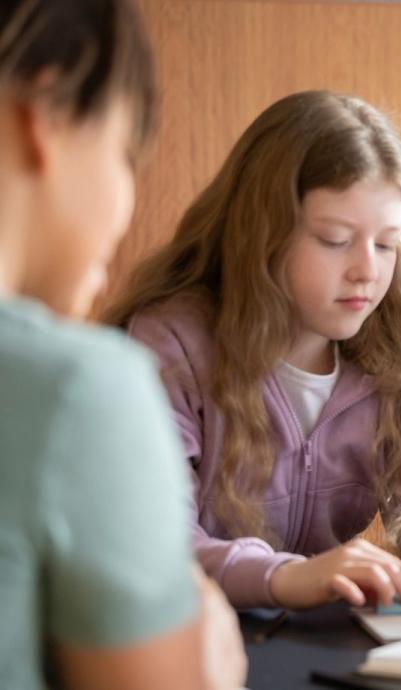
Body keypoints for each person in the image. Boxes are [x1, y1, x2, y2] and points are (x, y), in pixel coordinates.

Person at [104, 90, 401, 611]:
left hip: (320, 643)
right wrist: (287, 578)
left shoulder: (395, 345)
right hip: (190, 634)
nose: (367, 270)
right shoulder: (171, 345)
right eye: (335, 239)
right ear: (260, 233)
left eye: (386, 243)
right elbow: (151, 540)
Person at [0, 0, 245, 688]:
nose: (126, 197)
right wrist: (211, 669)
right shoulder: (81, 388)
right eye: (125, 153)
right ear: (46, 114)